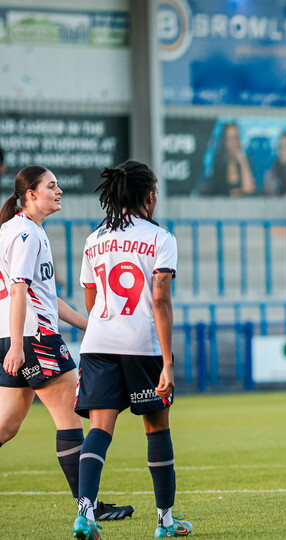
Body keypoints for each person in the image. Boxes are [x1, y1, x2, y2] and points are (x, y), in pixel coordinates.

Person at [0, 165, 134, 524]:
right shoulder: (27, 234)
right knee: (71, 418)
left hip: (14, 336)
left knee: (6, 426)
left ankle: (88, 503)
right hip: (34, 339)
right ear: (31, 194)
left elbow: (44, 297)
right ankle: (88, 506)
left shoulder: (14, 229)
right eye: (52, 185)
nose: (59, 191)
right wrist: (19, 345)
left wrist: (90, 326)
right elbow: (19, 290)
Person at [71, 161, 191, 539]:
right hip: (142, 345)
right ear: (149, 195)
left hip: (98, 343)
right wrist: (167, 363)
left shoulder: (94, 239)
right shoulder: (160, 238)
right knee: (156, 428)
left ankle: (84, 515)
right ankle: (165, 522)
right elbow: (160, 299)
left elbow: (91, 298)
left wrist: (106, 327)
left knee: (99, 429)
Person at [201, 123, 256, 196]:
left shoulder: (246, 161)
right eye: (230, 139)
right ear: (225, 141)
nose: (234, 142)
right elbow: (227, 192)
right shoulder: (219, 164)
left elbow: (249, 190)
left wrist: (243, 162)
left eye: (236, 137)